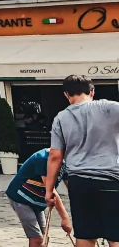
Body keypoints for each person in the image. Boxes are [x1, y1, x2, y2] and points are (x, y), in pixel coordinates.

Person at [45, 74, 119, 247]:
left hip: (79, 183)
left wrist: (49, 190)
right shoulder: (110, 108)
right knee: (115, 236)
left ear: (66, 95)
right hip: (111, 180)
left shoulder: (61, 118)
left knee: (86, 234)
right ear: (92, 92)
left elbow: (55, 156)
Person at [8, 148, 71, 247]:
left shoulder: (64, 162)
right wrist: (64, 217)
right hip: (21, 198)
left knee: (44, 239)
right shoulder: (42, 159)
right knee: (37, 238)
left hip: (37, 200)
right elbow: (51, 190)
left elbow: (71, 187)